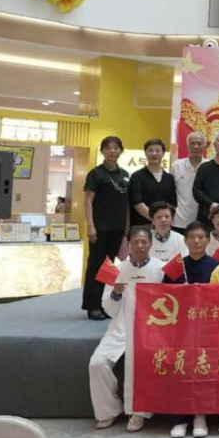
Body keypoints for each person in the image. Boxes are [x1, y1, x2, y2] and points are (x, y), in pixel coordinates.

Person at [89, 226, 165, 430]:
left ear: (151, 244)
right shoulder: (116, 270)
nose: (140, 246)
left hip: (150, 327)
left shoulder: (161, 269)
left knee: (140, 361)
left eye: (144, 242)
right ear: (129, 244)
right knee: (97, 363)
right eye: (136, 242)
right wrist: (116, 293)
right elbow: (109, 309)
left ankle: (138, 412)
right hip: (121, 326)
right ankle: (108, 410)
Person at [163, 221, 218, 438]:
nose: (197, 241)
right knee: (179, 371)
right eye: (192, 237)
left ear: (208, 240)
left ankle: (200, 416)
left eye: (201, 237)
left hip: (206, 329)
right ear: (185, 240)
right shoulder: (175, 267)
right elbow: (163, 297)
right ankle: (179, 419)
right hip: (179, 330)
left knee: (202, 371)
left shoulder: (217, 267)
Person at [83, 136, 130, 320]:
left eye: (116, 147)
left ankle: (100, 304)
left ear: (121, 151)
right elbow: (88, 202)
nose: (112, 151)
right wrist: (91, 225)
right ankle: (91, 305)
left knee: (107, 267)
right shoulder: (95, 174)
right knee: (95, 265)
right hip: (100, 228)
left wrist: (126, 226)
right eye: (108, 148)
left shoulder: (124, 174)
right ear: (102, 151)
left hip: (117, 228)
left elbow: (126, 203)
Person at [129, 138, 177, 227]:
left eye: (157, 150)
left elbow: (172, 203)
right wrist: (156, 219)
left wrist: (162, 219)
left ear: (163, 153)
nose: (154, 153)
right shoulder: (137, 176)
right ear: (145, 153)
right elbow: (137, 202)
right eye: (150, 150)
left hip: (163, 225)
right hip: (142, 225)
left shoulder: (169, 178)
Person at [171, 131, 206, 233]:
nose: (196, 146)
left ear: (205, 146)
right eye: (192, 143)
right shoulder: (176, 166)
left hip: (203, 220)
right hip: (179, 220)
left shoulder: (209, 166)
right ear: (187, 146)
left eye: (199, 143)